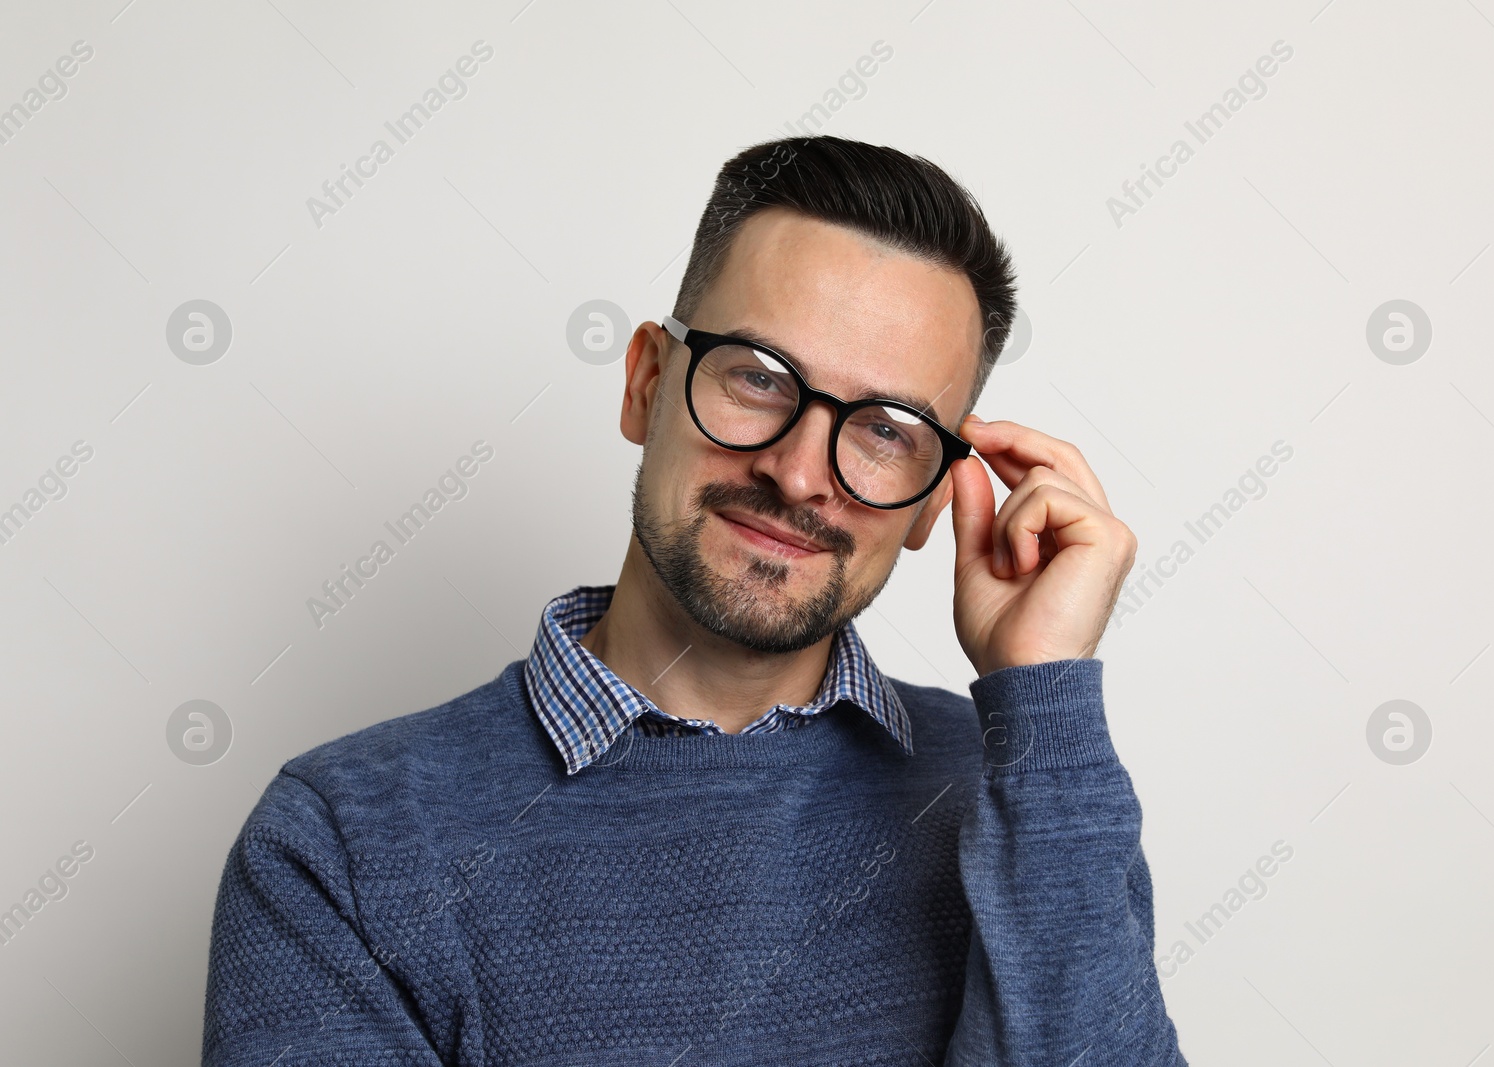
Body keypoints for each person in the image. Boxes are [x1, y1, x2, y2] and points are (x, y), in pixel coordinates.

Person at [201, 134, 1188, 1066]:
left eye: (886, 430)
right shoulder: (344, 843)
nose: (801, 474)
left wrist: (1044, 690)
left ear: (936, 497)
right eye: (759, 378)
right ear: (646, 382)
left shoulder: (1026, 787)